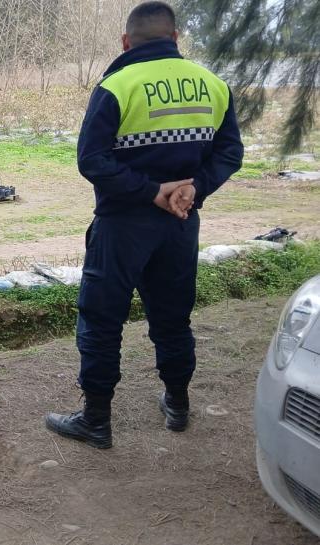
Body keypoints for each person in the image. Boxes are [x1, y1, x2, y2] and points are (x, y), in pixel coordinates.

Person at [45, 1, 243, 449]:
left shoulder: (117, 85)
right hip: (180, 223)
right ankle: (177, 404)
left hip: (122, 226)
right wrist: (193, 189)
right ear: (175, 39)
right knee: (174, 318)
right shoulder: (213, 85)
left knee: (101, 318)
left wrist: (152, 191)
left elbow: (91, 160)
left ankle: (95, 419)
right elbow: (230, 152)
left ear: (125, 41)